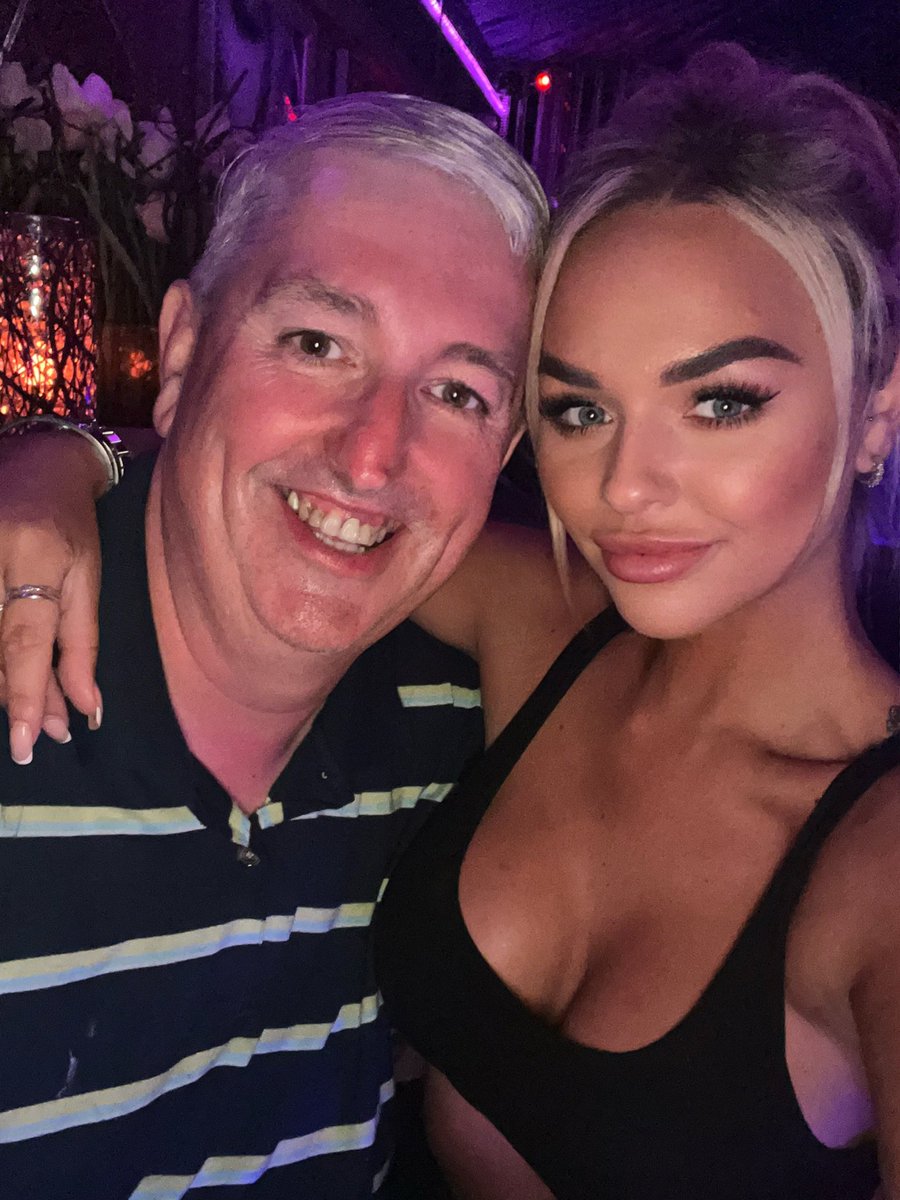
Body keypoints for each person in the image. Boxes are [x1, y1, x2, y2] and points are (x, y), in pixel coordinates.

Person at [2, 44, 900, 1200]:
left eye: (722, 402)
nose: (626, 486)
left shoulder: (876, 858)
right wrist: (55, 459)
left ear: (878, 413)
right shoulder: (538, 625)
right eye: (581, 408)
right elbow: (260, 478)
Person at [0, 93, 547, 1199]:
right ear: (183, 346)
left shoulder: (467, 742)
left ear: (507, 451)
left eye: (458, 392)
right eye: (315, 343)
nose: (374, 454)